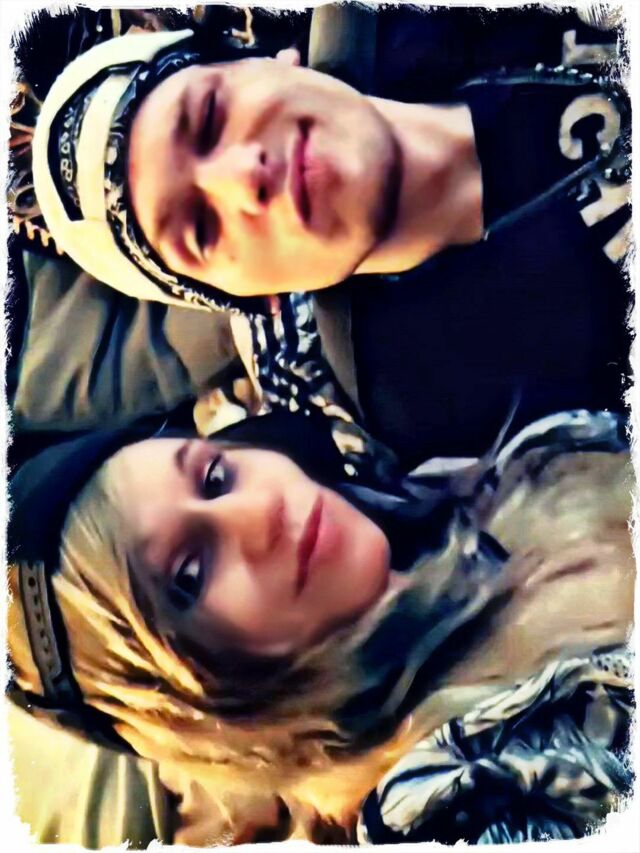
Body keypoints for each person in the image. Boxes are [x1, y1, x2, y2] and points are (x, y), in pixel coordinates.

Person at [27, 5, 631, 473]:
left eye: (210, 118)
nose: (244, 177)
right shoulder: (435, 406)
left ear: (270, 60)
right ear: (256, 300)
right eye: (203, 228)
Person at [7, 407, 634, 844]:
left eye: (215, 478)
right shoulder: (448, 806)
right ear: (188, 711)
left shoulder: (450, 490)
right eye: (190, 574)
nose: (260, 511)